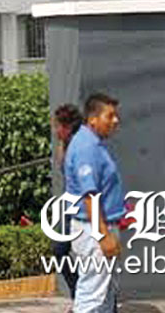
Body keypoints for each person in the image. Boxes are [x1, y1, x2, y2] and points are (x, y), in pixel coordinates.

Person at [64, 93, 124, 313]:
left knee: (105, 294)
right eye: (110, 116)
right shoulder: (86, 147)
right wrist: (103, 236)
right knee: (92, 295)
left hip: (97, 227)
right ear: (92, 119)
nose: (115, 121)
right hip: (93, 230)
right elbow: (90, 195)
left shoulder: (93, 144)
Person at [51, 103, 84, 299]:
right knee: (59, 250)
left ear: (68, 127)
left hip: (83, 209)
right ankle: (78, 294)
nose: (55, 131)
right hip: (70, 207)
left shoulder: (81, 147)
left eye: (58, 126)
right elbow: (62, 167)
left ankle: (90, 300)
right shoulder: (67, 145)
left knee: (90, 259)